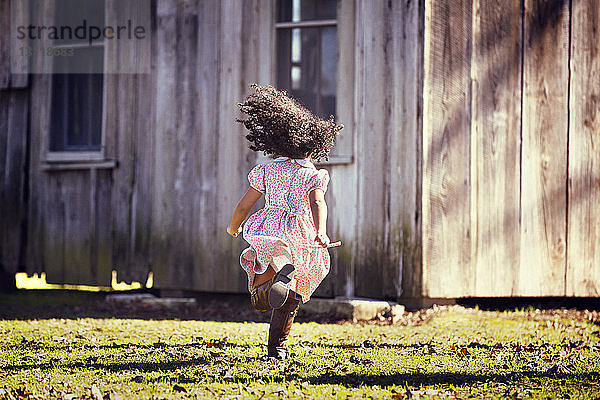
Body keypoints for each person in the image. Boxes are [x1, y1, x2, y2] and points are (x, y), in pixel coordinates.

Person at [227, 84, 343, 360]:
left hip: (270, 228)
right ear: (313, 144)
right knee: (291, 298)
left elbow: (245, 205)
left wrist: (233, 227)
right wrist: (321, 232)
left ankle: (267, 287)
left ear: (275, 141)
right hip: (300, 231)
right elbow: (317, 203)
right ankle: (276, 348)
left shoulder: (267, 170)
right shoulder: (312, 174)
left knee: (260, 268)